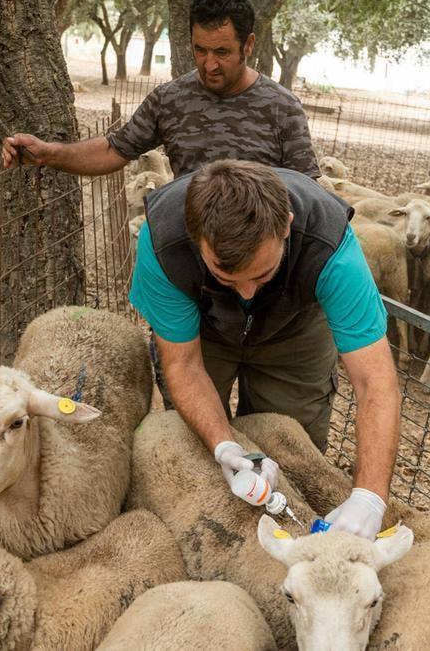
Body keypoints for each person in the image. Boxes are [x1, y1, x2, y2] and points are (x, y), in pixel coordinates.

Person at [131, 160, 400, 540]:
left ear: (287, 225)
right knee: (199, 447)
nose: (246, 292)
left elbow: (375, 381)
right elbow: (183, 364)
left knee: (292, 444)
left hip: (296, 328)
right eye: (227, 276)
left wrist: (370, 496)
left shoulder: (330, 247)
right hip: (203, 327)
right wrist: (223, 444)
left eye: (261, 273)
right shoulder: (164, 244)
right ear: (196, 239)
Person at [0, 0, 319, 179]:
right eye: (200, 50)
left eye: (222, 52)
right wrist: (47, 154)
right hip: (187, 269)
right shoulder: (170, 99)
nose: (209, 64)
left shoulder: (283, 107)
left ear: (248, 45)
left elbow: (306, 193)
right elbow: (113, 151)